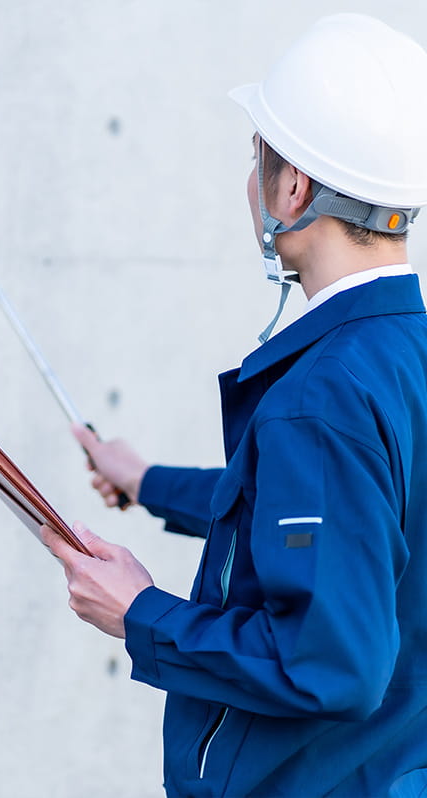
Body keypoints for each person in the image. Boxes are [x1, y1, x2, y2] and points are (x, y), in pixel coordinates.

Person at [41, 13, 427, 797]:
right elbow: (332, 515)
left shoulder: (321, 400)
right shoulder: (398, 359)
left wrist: (140, 614)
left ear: (293, 187)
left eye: (258, 159)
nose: (251, 183)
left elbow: (332, 668)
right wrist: (145, 480)